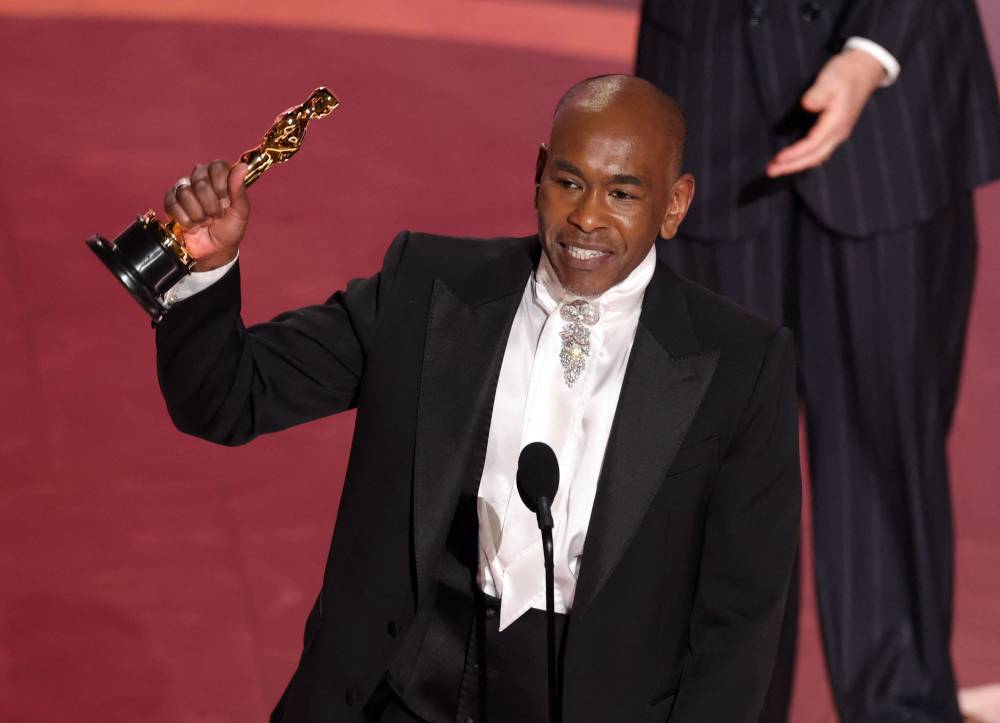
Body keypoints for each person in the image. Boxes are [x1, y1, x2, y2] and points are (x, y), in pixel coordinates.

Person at [153, 75, 800, 722]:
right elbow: (229, 397)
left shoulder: (739, 363)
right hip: (397, 693)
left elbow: (741, 621)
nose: (588, 217)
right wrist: (204, 267)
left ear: (675, 204)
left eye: (624, 192)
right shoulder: (427, 288)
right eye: (569, 182)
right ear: (539, 172)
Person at [635, 2, 1000, 721]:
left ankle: (900, 707)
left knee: (888, 452)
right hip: (712, 92)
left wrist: (871, 52)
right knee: (715, 464)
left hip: (898, 109)